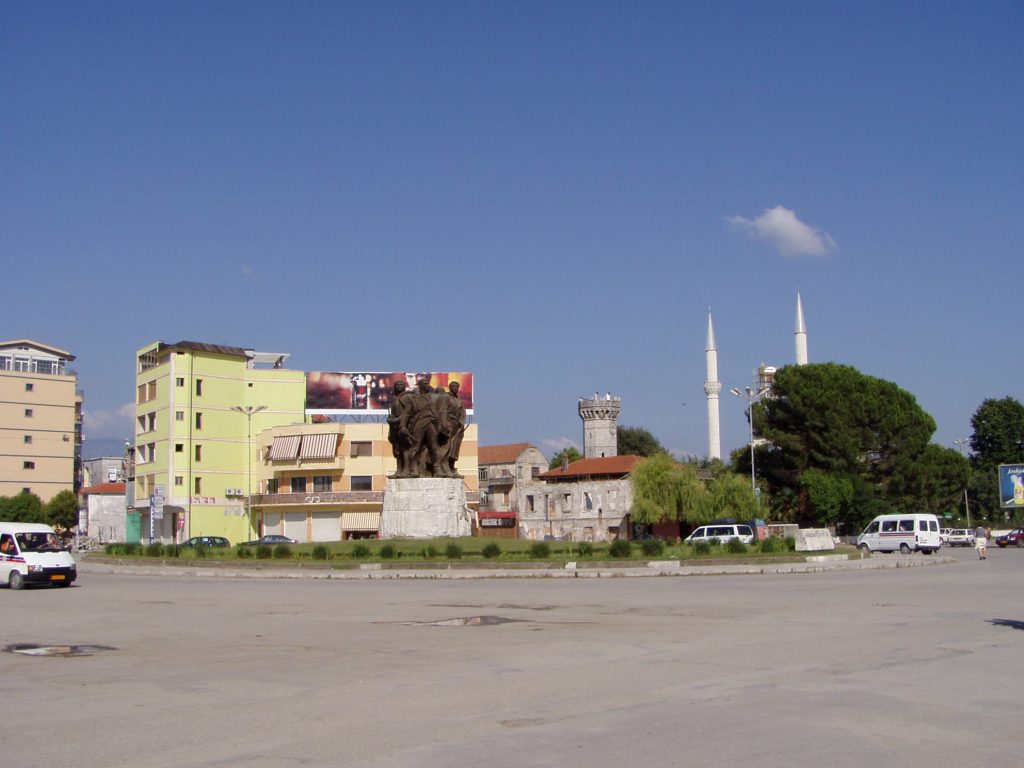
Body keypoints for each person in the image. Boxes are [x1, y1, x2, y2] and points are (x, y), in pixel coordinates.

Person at [386, 379, 414, 478]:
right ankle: (399, 470)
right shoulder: (395, 398)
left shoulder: (406, 397)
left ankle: (406, 470)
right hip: (395, 427)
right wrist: (391, 419)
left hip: (404, 426)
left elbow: (408, 412)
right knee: (397, 450)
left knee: (405, 448)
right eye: (397, 384)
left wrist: (398, 419)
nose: (399, 386)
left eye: (401, 384)